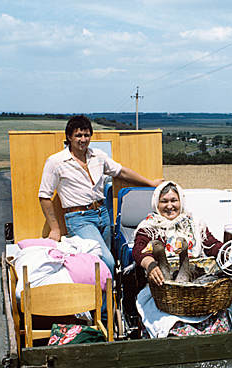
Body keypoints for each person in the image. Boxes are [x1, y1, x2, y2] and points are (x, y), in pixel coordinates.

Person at [38, 114, 162, 275]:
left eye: (86, 135)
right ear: (69, 137)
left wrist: (150, 183)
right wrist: (54, 228)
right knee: (106, 261)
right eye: (78, 135)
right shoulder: (56, 162)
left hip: (102, 214)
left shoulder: (98, 156)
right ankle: (106, 301)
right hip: (79, 219)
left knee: (107, 260)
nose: (83, 139)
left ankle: (112, 297)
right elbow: (44, 196)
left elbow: (121, 172)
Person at [132, 181, 223, 286]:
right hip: (161, 284)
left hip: (195, 281)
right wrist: (150, 265)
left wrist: (226, 251)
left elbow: (210, 244)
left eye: (174, 200)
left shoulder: (194, 223)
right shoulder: (149, 226)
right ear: (156, 203)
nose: (169, 206)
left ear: (181, 201)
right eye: (164, 201)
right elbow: (139, 249)